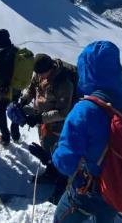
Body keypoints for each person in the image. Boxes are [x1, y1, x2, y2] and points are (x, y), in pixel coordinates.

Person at [52, 41, 122, 222]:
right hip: (119, 189)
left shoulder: (85, 110)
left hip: (89, 191)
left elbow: (65, 164)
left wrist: (54, 150)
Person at [19, 53, 75, 183]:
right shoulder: (39, 73)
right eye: (37, 73)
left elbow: (63, 112)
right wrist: (24, 100)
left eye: (41, 74)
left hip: (56, 123)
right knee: (45, 143)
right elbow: (33, 89)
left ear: (50, 69)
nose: (39, 76)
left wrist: (40, 118)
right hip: (42, 117)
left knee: (52, 147)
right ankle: (51, 168)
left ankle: (55, 173)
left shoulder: (63, 83)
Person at [0, 29, 27, 145]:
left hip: (4, 90)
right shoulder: (17, 50)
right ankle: (16, 135)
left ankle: (5, 138)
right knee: (14, 110)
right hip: (16, 88)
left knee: (0, 112)